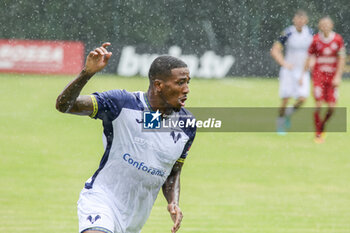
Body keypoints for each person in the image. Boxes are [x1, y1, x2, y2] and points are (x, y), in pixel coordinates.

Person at [56, 42, 196, 233]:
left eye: (188, 82)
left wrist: (173, 201)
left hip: (133, 221)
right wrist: (86, 74)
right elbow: (65, 106)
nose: (187, 89)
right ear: (158, 85)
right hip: (101, 201)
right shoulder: (121, 103)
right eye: (180, 82)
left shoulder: (186, 125)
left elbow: (172, 171)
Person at [302, 16, 346, 143]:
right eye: (323, 24)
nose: (325, 27)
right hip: (319, 76)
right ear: (319, 26)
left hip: (332, 77)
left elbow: (341, 59)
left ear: (332, 25)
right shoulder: (315, 40)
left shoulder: (337, 39)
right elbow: (309, 56)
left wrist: (338, 76)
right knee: (318, 104)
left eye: (327, 24)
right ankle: (318, 133)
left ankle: (322, 127)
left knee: (332, 107)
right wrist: (303, 73)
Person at [270, 10, 313, 134]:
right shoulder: (288, 33)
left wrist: (310, 64)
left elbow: (314, 52)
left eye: (302, 19)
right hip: (289, 71)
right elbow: (275, 50)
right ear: (294, 20)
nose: (300, 21)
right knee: (285, 98)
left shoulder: (310, 33)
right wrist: (284, 63)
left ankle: (288, 113)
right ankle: (280, 123)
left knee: (302, 99)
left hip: (303, 71)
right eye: (297, 19)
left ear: (306, 20)